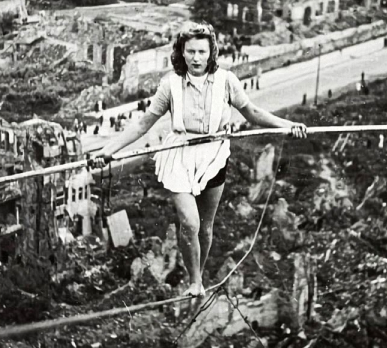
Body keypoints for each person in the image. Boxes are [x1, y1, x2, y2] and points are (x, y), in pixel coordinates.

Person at [91, 22, 307, 297]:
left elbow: (253, 112)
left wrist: (287, 125)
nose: (196, 58)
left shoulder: (227, 81)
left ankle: (199, 275)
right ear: (181, 53)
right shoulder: (170, 85)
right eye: (190, 51)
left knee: (205, 228)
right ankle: (195, 281)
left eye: (201, 52)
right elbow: (142, 125)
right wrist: (109, 150)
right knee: (189, 223)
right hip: (179, 156)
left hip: (214, 156)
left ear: (211, 53)